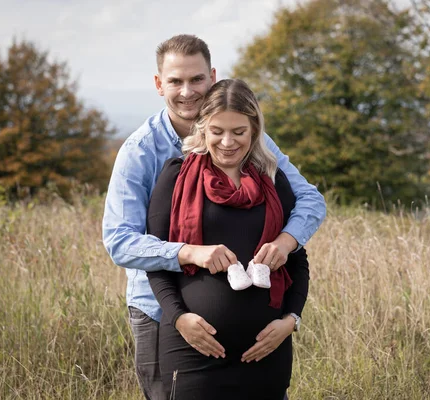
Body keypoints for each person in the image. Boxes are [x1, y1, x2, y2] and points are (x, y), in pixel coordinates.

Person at [102, 34, 325, 399]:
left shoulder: (250, 141)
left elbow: (309, 201)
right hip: (159, 313)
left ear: (213, 77)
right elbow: (120, 241)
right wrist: (188, 252)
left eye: (197, 79)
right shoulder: (142, 152)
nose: (187, 91)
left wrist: (285, 242)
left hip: (255, 338)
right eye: (175, 81)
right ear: (160, 85)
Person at [146, 78, 310, 399]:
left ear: (254, 132)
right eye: (217, 131)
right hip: (193, 353)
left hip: (266, 353)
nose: (227, 142)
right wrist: (180, 319)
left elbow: (297, 260)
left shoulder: (274, 182)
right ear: (203, 128)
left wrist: (290, 321)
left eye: (239, 132)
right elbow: (156, 258)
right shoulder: (175, 177)